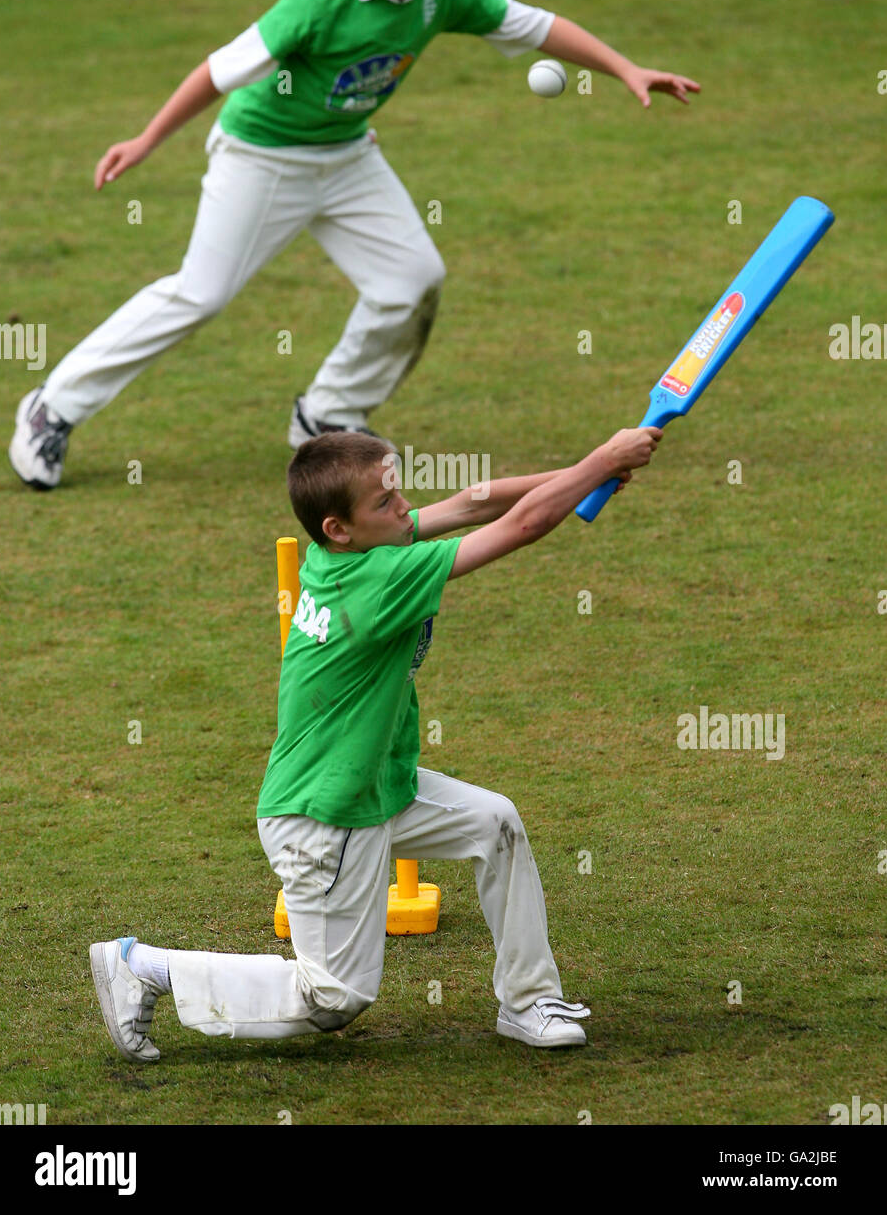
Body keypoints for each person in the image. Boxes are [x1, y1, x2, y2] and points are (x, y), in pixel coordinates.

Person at [10, 0, 698, 490]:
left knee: (412, 277)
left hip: (347, 157)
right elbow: (218, 71)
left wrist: (627, 69)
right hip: (262, 157)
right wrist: (147, 139)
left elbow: (538, 25)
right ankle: (52, 408)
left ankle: (327, 413)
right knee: (201, 293)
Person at [90, 421, 662, 1061]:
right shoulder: (379, 577)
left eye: (399, 491)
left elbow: (473, 501)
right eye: (386, 502)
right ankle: (145, 968)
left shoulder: (343, 548)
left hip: (375, 789)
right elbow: (519, 526)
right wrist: (601, 459)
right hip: (325, 818)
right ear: (341, 527)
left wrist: (587, 472)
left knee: (493, 824)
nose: (405, 509)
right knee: (332, 1000)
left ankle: (529, 1001)